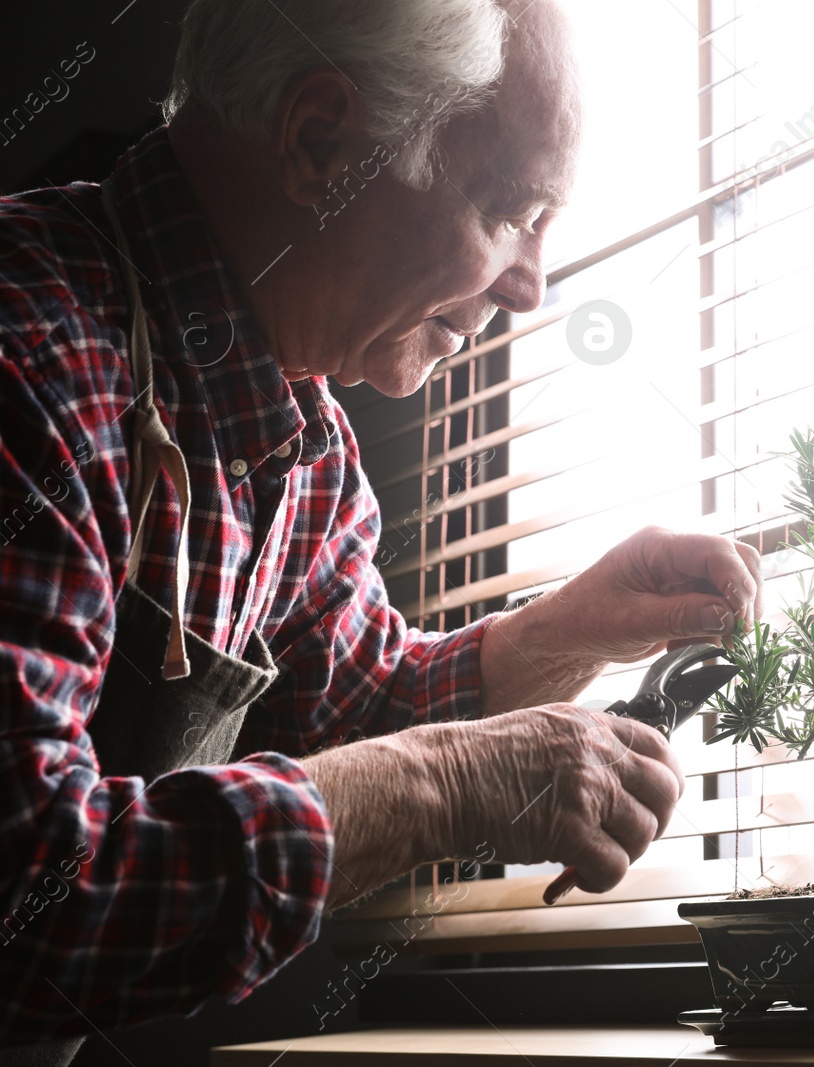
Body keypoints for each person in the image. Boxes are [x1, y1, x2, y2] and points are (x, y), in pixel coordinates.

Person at [0, 1, 761, 1061]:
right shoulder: (27, 355)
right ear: (320, 144)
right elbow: (30, 898)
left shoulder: (304, 446)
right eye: (507, 210)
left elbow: (352, 711)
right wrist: (448, 782)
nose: (532, 285)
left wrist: (564, 636)